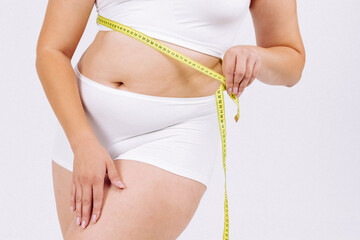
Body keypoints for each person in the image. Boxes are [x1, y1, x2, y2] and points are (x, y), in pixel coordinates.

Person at [35, 0, 305, 239]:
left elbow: (291, 60)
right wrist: (82, 142)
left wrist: (258, 56)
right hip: (82, 126)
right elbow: (52, 50)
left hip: (173, 133)